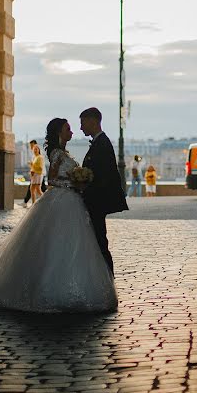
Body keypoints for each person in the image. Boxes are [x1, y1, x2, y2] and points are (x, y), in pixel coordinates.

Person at [0, 118, 117, 312]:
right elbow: (52, 179)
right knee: (58, 244)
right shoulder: (57, 154)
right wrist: (73, 184)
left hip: (71, 202)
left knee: (73, 244)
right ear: (59, 133)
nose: (72, 132)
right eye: (67, 129)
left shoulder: (64, 153)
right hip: (62, 199)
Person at [79, 107, 128, 276]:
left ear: (92, 121)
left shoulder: (102, 143)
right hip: (95, 201)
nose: (81, 127)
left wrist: (84, 187)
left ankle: (107, 275)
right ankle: (104, 275)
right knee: (98, 239)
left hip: (96, 202)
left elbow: (103, 176)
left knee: (99, 240)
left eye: (82, 122)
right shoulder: (101, 142)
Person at [23, 140, 46, 206]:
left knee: (38, 189)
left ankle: (44, 201)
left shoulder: (40, 157)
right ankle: (33, 204)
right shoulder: (35, 157)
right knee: (32, 189)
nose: (35, 150)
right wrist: (31, 168)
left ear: (38, 150)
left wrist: (32, 164)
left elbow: (40, 167)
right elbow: (34, 166)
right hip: (34, 175)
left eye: (36, 149)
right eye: (34, 149)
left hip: (38, 175)